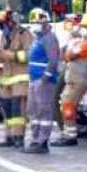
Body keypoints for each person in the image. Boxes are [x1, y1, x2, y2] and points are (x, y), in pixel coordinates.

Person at [51, 13, 87, 147]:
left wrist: (71, 47)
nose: (85, 29)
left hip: (78, 80)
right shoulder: (82, 42)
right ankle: (69, 132)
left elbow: (68, 55)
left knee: (68, 105)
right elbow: (66, 53)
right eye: (84, 26)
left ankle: (70, 135)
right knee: (67, 104)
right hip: (74, 79)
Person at [23, 8, 61, 154]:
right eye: (33, 22)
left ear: (45, 22)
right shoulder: (37, 38)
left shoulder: (49, 38)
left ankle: (42, 141)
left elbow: (53, 60)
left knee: (44, 110)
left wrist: (45, 77)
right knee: (33, 110)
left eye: (37, 22)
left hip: (43, 81)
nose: (34, 25)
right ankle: (35, 139)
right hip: (34, 79)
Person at [0, 9, 34, 148]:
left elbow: (29, 55)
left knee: (18, 109)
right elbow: (1, 53)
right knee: (7, 109)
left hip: (20, 80)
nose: (3, 27)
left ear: (12, 22)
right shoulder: (4, 35)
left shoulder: (25, 34)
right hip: (6, 79)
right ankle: (9, 136)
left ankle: (19, 137)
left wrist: (10, 55)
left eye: (5, 24)